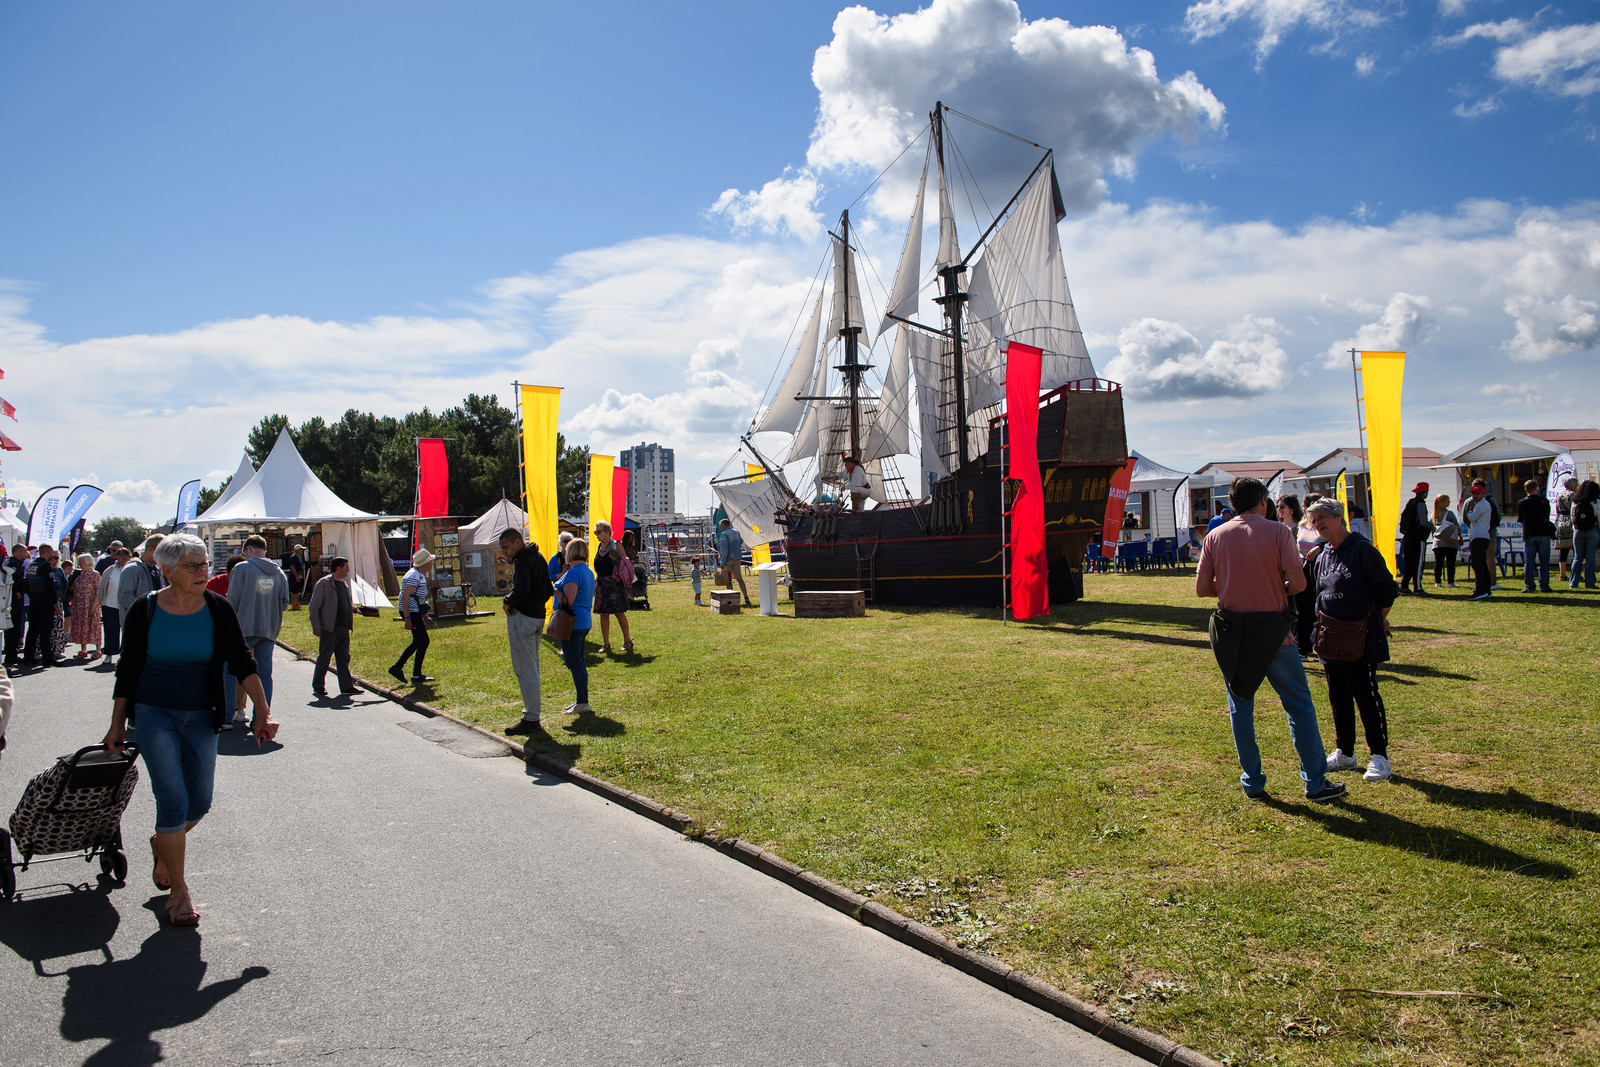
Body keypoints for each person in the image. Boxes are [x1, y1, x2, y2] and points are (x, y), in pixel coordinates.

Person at [104, 532, 279, 927]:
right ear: (167, 571)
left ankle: (162, 842)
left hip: (202, 713)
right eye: (193, 566)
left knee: (198, 803)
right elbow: (127, 668)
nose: (205, 572)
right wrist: (117, 723)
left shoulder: (217, 608)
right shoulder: (145, 611)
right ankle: (180, 892)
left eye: (205, 564)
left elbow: (241, 660)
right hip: (154, 715)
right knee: (172, 801)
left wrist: (263, 711)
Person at [1196, 477, 1345, 804]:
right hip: (1275, 633)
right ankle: (1315, 781)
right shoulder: (1278, 532)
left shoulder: (1215, 536)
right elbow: (1299, 583)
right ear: (1262, 501)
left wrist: (1235, 587)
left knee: (1241, 709)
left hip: (1234, 633)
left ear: (1232, 503)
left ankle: (1252, 781)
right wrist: (1274, 587)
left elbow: (1203, 588)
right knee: (1299, 706)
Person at [1306, 498, 1399, 783]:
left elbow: (1386, 591)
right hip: (1330, 638)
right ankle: (1345, 752)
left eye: (1323, 518)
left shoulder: (1361, 550)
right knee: (1339, 697)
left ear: (1339, 518)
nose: (1319, 524)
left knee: (1366, 696)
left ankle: (1380, 757)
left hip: (1360, 638)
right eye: (1314, 521)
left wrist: (1378, 618)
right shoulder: (1323, 555)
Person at [226, 535, 289, 726]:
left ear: (249, 550)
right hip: (269, 629)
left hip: (243, 628)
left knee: (229, 671)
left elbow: (232, 601)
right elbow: (285, 603)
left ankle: (227, 716)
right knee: (264, 674)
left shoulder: (242, 569)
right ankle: (262, 716)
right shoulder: (279, 573)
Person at [499, 529, 554, 737]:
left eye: (506, 547)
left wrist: (508, 601)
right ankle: (532, 715)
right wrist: (537, 604)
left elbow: (521, 589)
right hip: (537, 617)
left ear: (517, 542)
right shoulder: (538, 556)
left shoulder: (522, 560)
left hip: (524, 618)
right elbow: (548, 589)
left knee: (525, 669)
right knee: (532, 666)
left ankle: (531, 717)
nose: (504, 552)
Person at [552, 538, 595, 716]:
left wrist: (552, 589)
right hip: (583, 620)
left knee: (574, 662)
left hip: (571, 623)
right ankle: (581, 700)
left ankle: (582, 702)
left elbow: (567, 600)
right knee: (579, 661)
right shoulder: (587, 571)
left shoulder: (573, 573)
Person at [308, 556, 359, 697]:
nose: (348, 570)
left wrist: (356, 610)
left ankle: (347, 687)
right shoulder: (323, 584)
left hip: (343, 628)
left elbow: (346, 603)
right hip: (329, 628)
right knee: (324, 657)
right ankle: (318, 686)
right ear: (338, 568)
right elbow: (313, 607)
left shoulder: (344, 585)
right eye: (346, 568)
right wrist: (316, 626)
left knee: (344, 658)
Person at [390, 548, 435, 684]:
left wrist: (425, 615)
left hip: (415, 612)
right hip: (410, 612)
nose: (432, 564)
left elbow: (418, 598)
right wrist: (408, 618)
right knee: (423, 641)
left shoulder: (418, 575)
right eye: (430, 562)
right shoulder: (414, 576)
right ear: (425, 564)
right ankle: (413, 673)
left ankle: (400, 668)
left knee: (418, 641)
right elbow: (404, 597)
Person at [592, 521, 635, 654]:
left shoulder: (616, 545)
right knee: (603, 614)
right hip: (602, 585)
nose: (596, 534)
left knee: (619, 612)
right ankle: (606, 643)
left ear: (607, 532)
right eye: (595, 532)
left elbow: (626, 564)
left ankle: (627, 641)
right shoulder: (600, 546)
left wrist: (615, 558)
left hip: (615, 585)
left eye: (598, 532)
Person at [22, 545, 62, 667]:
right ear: (48, 552)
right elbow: (50, 587)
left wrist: (33, 596)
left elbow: (26, 585)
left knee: (33, 630)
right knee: (46, 631)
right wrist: (55, 604)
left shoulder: (31, 565)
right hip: (45, 601)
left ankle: (28, 657)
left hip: (34, 600)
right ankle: (47, 659)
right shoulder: (45, 566)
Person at [1516, 478, 1555, 594]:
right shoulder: (1544, 501)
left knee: (1529, 561)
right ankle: (1544, 585)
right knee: (1544, 561)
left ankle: (1529, 586)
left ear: (1526, 490)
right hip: (1543, 533)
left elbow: (1521, 519)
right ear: (1536, 489)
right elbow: (1547, 516)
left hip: (1529, 534)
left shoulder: (1521, 503)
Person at [118, 535, 166, 621]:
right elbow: (124, 597)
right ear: (150, 549)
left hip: (152, 623)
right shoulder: (132, 569)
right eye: (161, 553)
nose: (163, 557)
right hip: (136, 625)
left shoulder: (157, 569)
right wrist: (146, 608)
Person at [1398, 482, 1434, 595]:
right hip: (1418, 537)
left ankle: (1404, 586)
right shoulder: (1421, 504)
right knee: (1418, 563)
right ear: (1424, 493)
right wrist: (1431, 524)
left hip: (1407, 536)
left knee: (1409, 562)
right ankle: (1418, 588)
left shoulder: (1410, 502)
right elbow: (1423, 522)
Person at [1463, 479, 1495, 600]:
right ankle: (1487, 590)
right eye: (1473, 494)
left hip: (1479, 537)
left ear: (1482, 494)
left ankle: (1481, 590)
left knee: (1478, 565)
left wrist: (1470, 510)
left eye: (1477, 494)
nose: (1475, 496)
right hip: (1481, 536)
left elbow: (1471, 517)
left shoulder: (1481, 504)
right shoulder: (1482, 504)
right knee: (1482, 564)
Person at [99, 545, 131, 667]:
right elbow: (102, 586)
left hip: (127, 606)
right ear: (116, 557)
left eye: (125, 555)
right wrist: (101, 601)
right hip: (110, 605)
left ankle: (125, 655)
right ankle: (109, 654)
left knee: (127, 632)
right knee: (111, 631)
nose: (123, 558)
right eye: (120, 555)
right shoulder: (110, 570)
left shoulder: (133, 569)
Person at [68, 552, 103, 659]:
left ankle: (98, 650)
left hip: (90, 604)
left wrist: (93, 606)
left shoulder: (95, 575)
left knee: (94, 626)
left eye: (81, 562)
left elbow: (98, 591)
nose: (79, 564)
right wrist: (75, 580)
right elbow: (71, 589)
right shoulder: (80, 574)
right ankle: (83, 649)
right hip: (79, 605)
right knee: (81, 626)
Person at [1571, 479, 1600, 590]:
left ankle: (1573, 582)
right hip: (1592, 530)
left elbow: (1572, 517)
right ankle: (1590, 582)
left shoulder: (1575, 501)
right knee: (1590, 558)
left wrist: (1575, 528)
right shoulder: (1596, 502)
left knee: (1577, 557)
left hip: (1578, 531)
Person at [716, 518, 751, 607]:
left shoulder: (724, 534)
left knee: (728, 580)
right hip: (737, 558)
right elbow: (741, 541)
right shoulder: (736, 531)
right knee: (739, 579)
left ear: (724, 525)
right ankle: (746, 597)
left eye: (721, 526)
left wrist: (722, 562)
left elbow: (724, 550)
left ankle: (731, 599)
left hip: (728, 560)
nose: (720, 528)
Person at [1430, 493, 1462, 588]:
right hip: (1450, 542)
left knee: (1438, 563)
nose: (1449, 502)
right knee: (1450, 563)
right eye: (1448, 501)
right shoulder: (1450, 514)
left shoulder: (1433, 515)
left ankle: (1438, 582)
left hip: (1438, 543)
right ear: (1443, 503)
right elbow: (1457, 527)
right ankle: (1450, 582)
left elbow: (1432, 529)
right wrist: (1460, 537)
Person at [4, 543, 27, 668]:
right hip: (13, 600)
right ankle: (11, 654)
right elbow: (11, 579)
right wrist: (16, 590)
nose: (25, 554)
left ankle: (12, 653)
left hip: (16, 599)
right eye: (23, 552)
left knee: (16, 626)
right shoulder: (12, 564)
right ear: (17, 552)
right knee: (13, 627)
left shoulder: (14, 563)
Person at [1555, 476, 1579, 583]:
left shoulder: (1560, 495)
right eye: (1576, 484)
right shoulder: (1574, 495)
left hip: (1561, 522)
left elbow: (1557, 509)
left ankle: (1562, 574)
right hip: (1571, 522)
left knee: (1563, 550)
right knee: (1576, 550)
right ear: (1572, 485)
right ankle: (1576, 573)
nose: (1577, 486)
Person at [282, 545, 309, 611]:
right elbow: (292, 567)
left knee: (297, 591)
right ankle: (293, 604)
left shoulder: (298, 557)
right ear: (297, 550)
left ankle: (296, 603)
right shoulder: (293, 557)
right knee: (294, 591)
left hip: (298, 574)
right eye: (300, 550)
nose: (301, 551)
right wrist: (296, 576)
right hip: (294, 576)